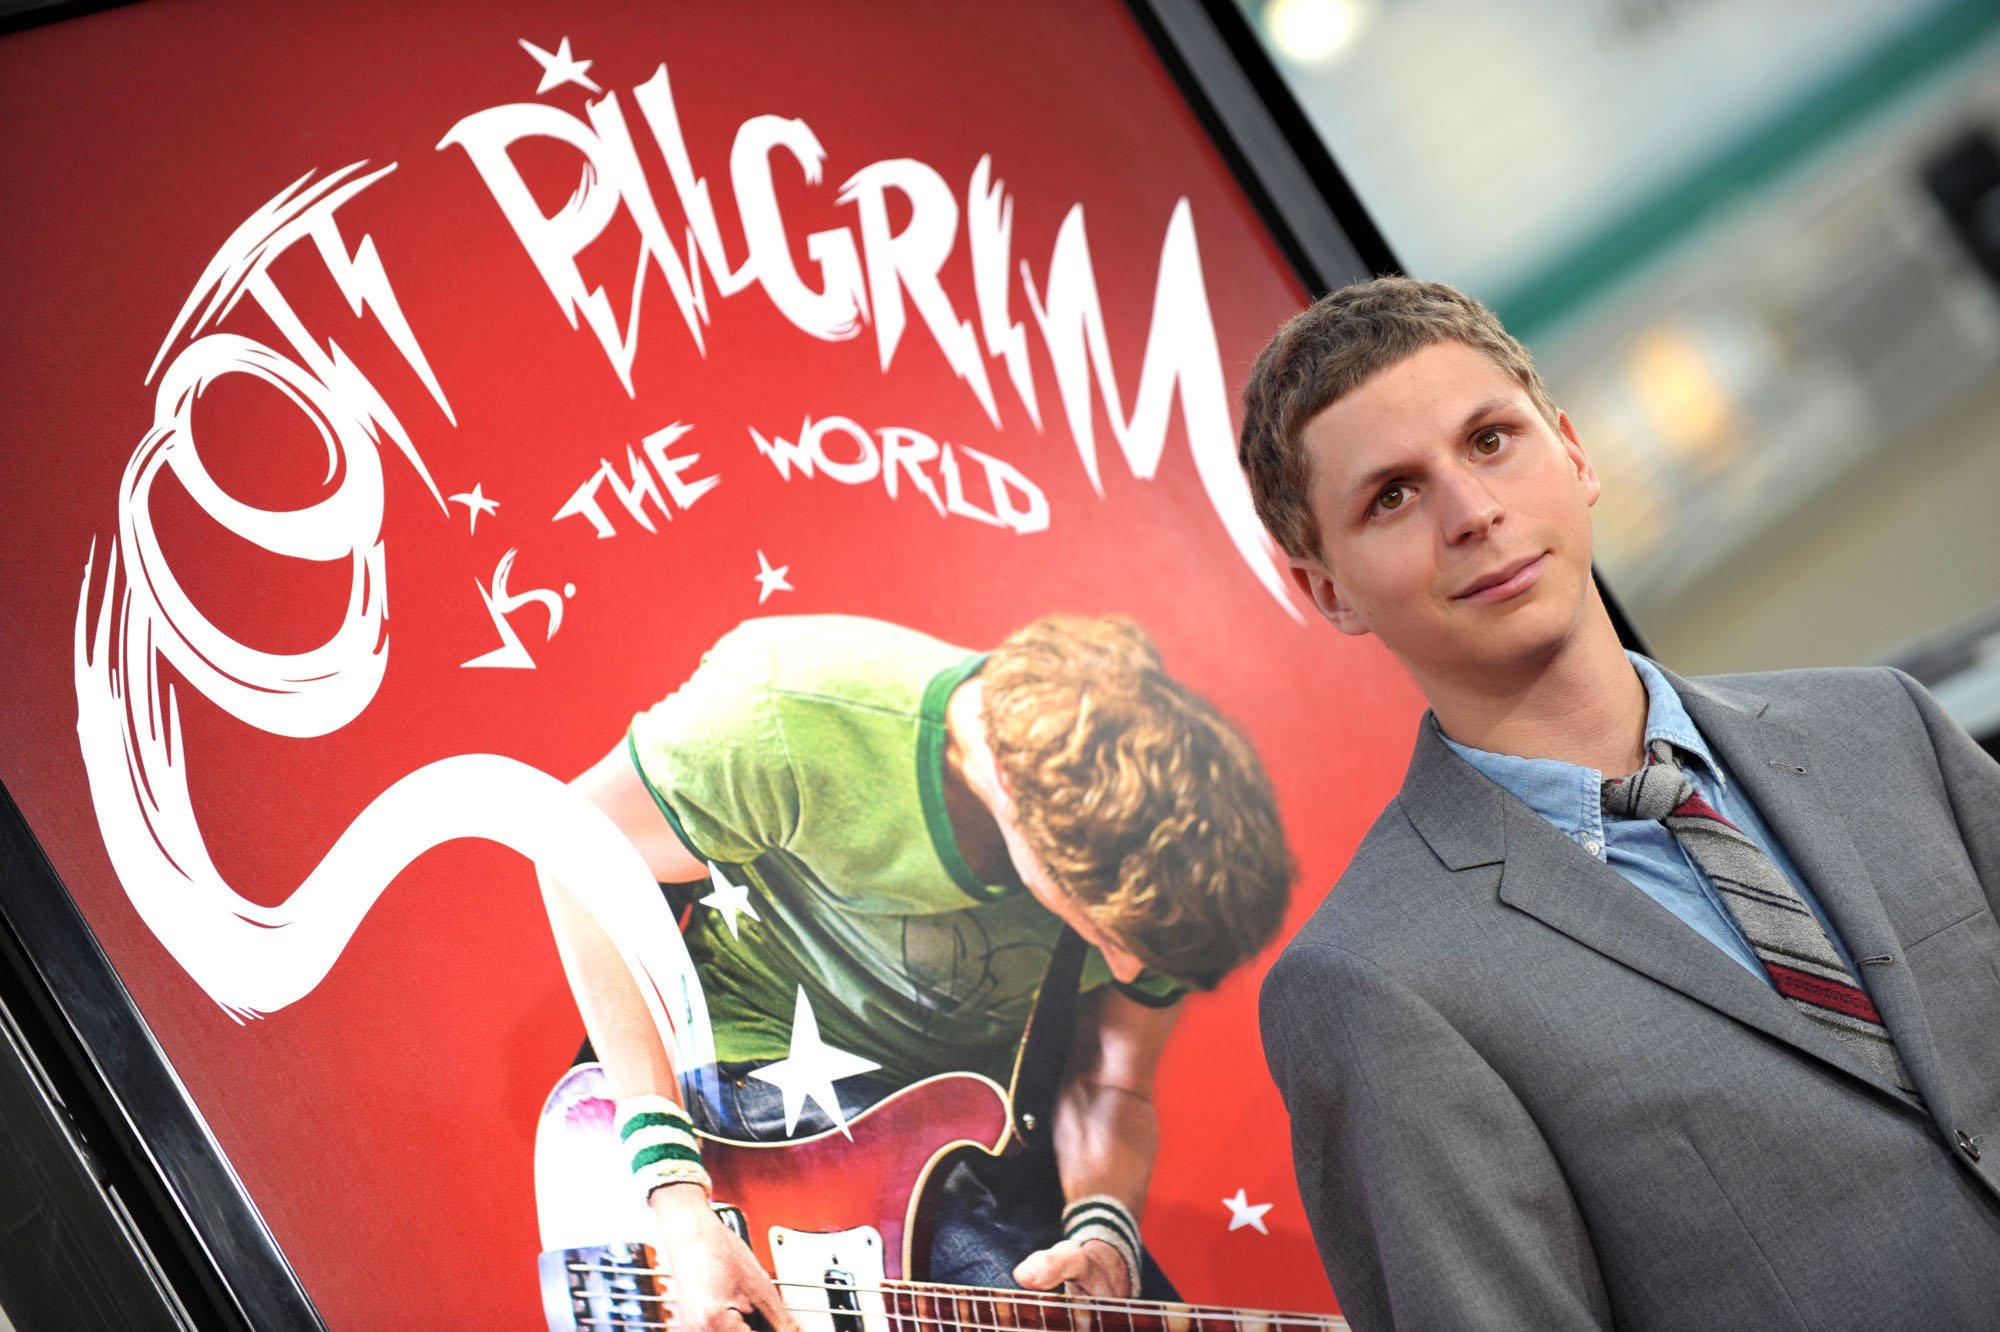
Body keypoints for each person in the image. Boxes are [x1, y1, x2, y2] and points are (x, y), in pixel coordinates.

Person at [1241, 277, 2000, 1329]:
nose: (1473, 514)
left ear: (1574, 452)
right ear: (1325, 591)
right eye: (1392, 497)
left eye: (1490, 441)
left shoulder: (1882, 730)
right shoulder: (1371, 986)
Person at [540, 612, 1292, 1330]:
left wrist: (1104, 1226)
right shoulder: (789, 705)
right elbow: (578, 850)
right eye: (1111, 933)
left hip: (961, 1162)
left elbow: (1110, 1082)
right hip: (741, 1120)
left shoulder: (1168, 876)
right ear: (1026, 813)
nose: (1125, 965)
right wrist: (674, 1195)